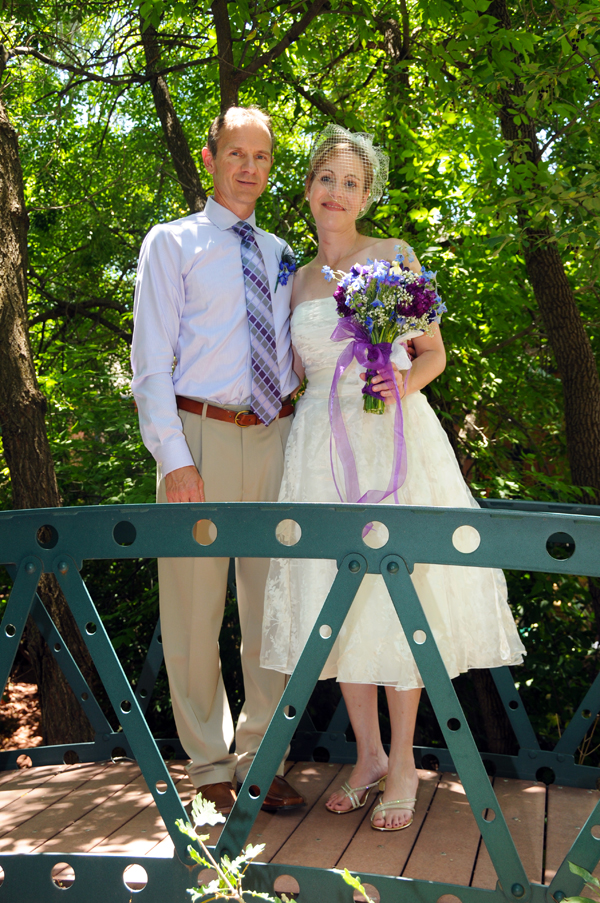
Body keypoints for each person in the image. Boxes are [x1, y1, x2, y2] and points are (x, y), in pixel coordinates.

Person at [260, 124, 525, 832]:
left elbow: (433, 353)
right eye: (326, 179)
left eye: (352, 183)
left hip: (390, 437)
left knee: (396, 588)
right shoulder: (298, 280)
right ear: (309, 187)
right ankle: (368, 753)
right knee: (336, 593)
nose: (337, 193)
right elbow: (292, 374)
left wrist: (393, 385)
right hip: (318, 444)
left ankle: (405, 761)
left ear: (366, 194)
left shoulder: (394, 257)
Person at [131, 105, 304, 815]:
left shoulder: (284, 253)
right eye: (236, 153)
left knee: (272, 609)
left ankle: (264, 760)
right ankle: (207, 767)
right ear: (210, 158)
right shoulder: (172, 243)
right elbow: (148, 363)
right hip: (199, 434)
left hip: (278, 438)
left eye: (261, 157)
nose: (248, 168)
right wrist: (174, 458)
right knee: (195, 609)